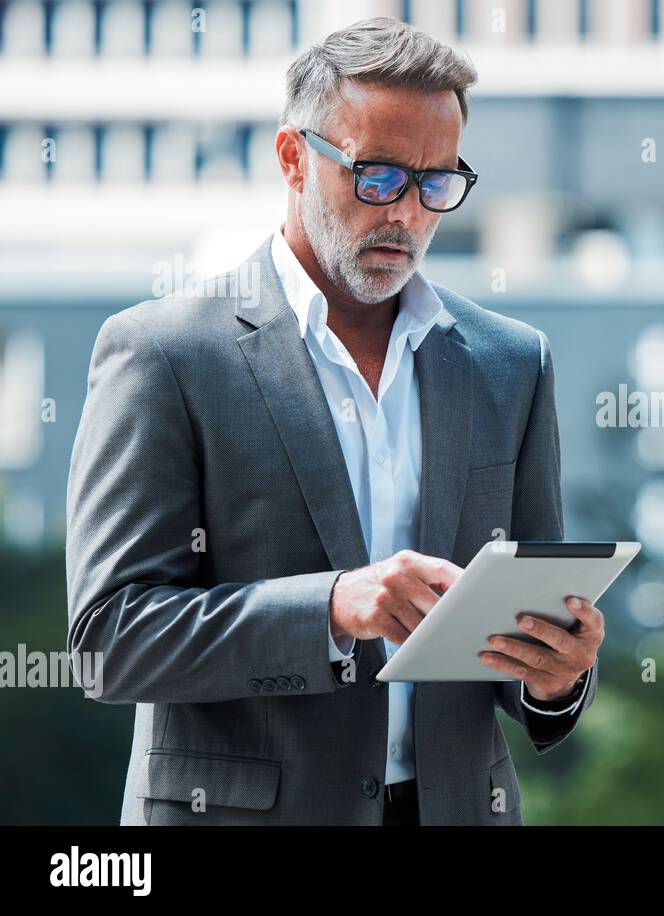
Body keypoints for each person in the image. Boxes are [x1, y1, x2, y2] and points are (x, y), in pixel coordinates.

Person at [65, 16, 602, 826]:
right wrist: (331, 607)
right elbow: (110, 641)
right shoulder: (164, 353)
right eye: (379, 176)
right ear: (292, 157)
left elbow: (519, 643)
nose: (408, 215)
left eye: (436, 183)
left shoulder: (510, 363)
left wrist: (555, 678)